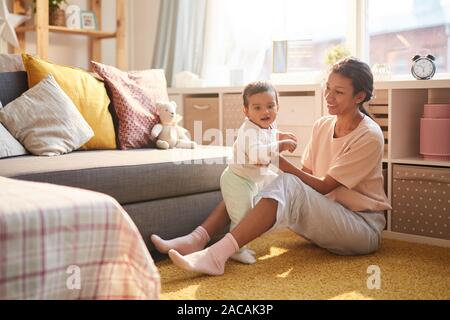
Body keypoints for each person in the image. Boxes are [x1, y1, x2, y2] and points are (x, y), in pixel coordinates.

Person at [151, 57, 392, 276]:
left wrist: (275, 158)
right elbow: (305, 176)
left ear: (359, 97)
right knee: (244, 179)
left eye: (338, 92)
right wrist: (264, 163)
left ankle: (216, 255)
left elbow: (324, 186)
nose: (328, 97)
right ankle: (196, 239)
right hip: (325, 216)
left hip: (360, 229)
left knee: (284, 181)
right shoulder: (323, 125)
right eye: (327, 88)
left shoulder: (369, 136)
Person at [151, 81, 298, 265]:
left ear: (277, 106)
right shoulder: (249, 130)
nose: (265, 112)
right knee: (243, 216)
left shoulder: (267, 125)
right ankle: (237, 250)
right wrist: (280, 145)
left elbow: (268, 135)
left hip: (253, 179)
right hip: (238, 180)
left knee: (266, 199)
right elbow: (256, 154)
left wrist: (280, 136)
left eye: (270, 106)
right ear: (246, 111)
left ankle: (194, 242)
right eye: (257, 108)